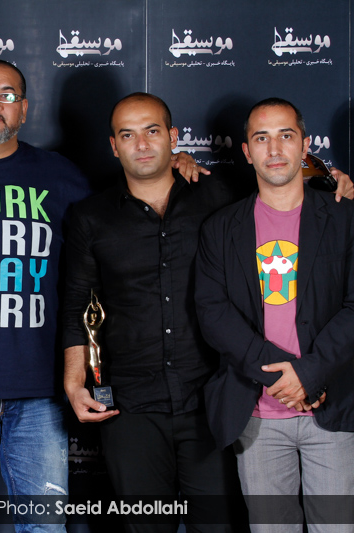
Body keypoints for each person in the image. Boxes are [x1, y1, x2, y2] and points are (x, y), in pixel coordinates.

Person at [0, 64, 202, 531]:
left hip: (40, 387)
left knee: (45, 525)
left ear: (24, 109)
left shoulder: (62, 178)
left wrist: (176, 165)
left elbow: (124, 213)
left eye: (7, 95)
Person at [62, 93, 243, 533]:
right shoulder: (90, 217)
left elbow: (286, 198)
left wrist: (331, 179)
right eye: (128, 135)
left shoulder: (218, 195)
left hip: (211, 401)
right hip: (130, 408)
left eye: (152, 131)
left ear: (173, 137)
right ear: (114, 146)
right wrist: (73, 381)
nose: (141, 144)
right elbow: (76, 304)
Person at [194, 98, 354, 532]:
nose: (275, 148)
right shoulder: (221, 228)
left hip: (332, 410)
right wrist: (282, 379)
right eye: (262, 138)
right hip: (257, 414)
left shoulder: (345, 218)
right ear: (247, 152)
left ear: (305, 145)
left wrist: (309, 374)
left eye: (286, 135)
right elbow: (213, 314)